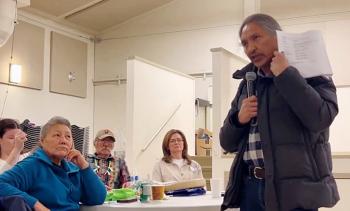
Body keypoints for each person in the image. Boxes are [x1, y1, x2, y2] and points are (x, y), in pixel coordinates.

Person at [220, 13, 339, 211]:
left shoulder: (309, 72)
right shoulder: (247, 82)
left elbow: (321, 117)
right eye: (244, 43)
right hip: (251, 188)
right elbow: (226, 142)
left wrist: (286, 75)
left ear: (278, 37)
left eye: (256, 38)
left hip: (295, 193)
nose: (250, 48)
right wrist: (238, 120)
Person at [0, 116, 106, 211]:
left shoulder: (73, 168)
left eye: (68, 136)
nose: (63, 140)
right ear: (42, 141)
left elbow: (98, 198)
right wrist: (35, 204)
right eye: (57, 135)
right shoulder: (32, 165)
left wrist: (84, 166)